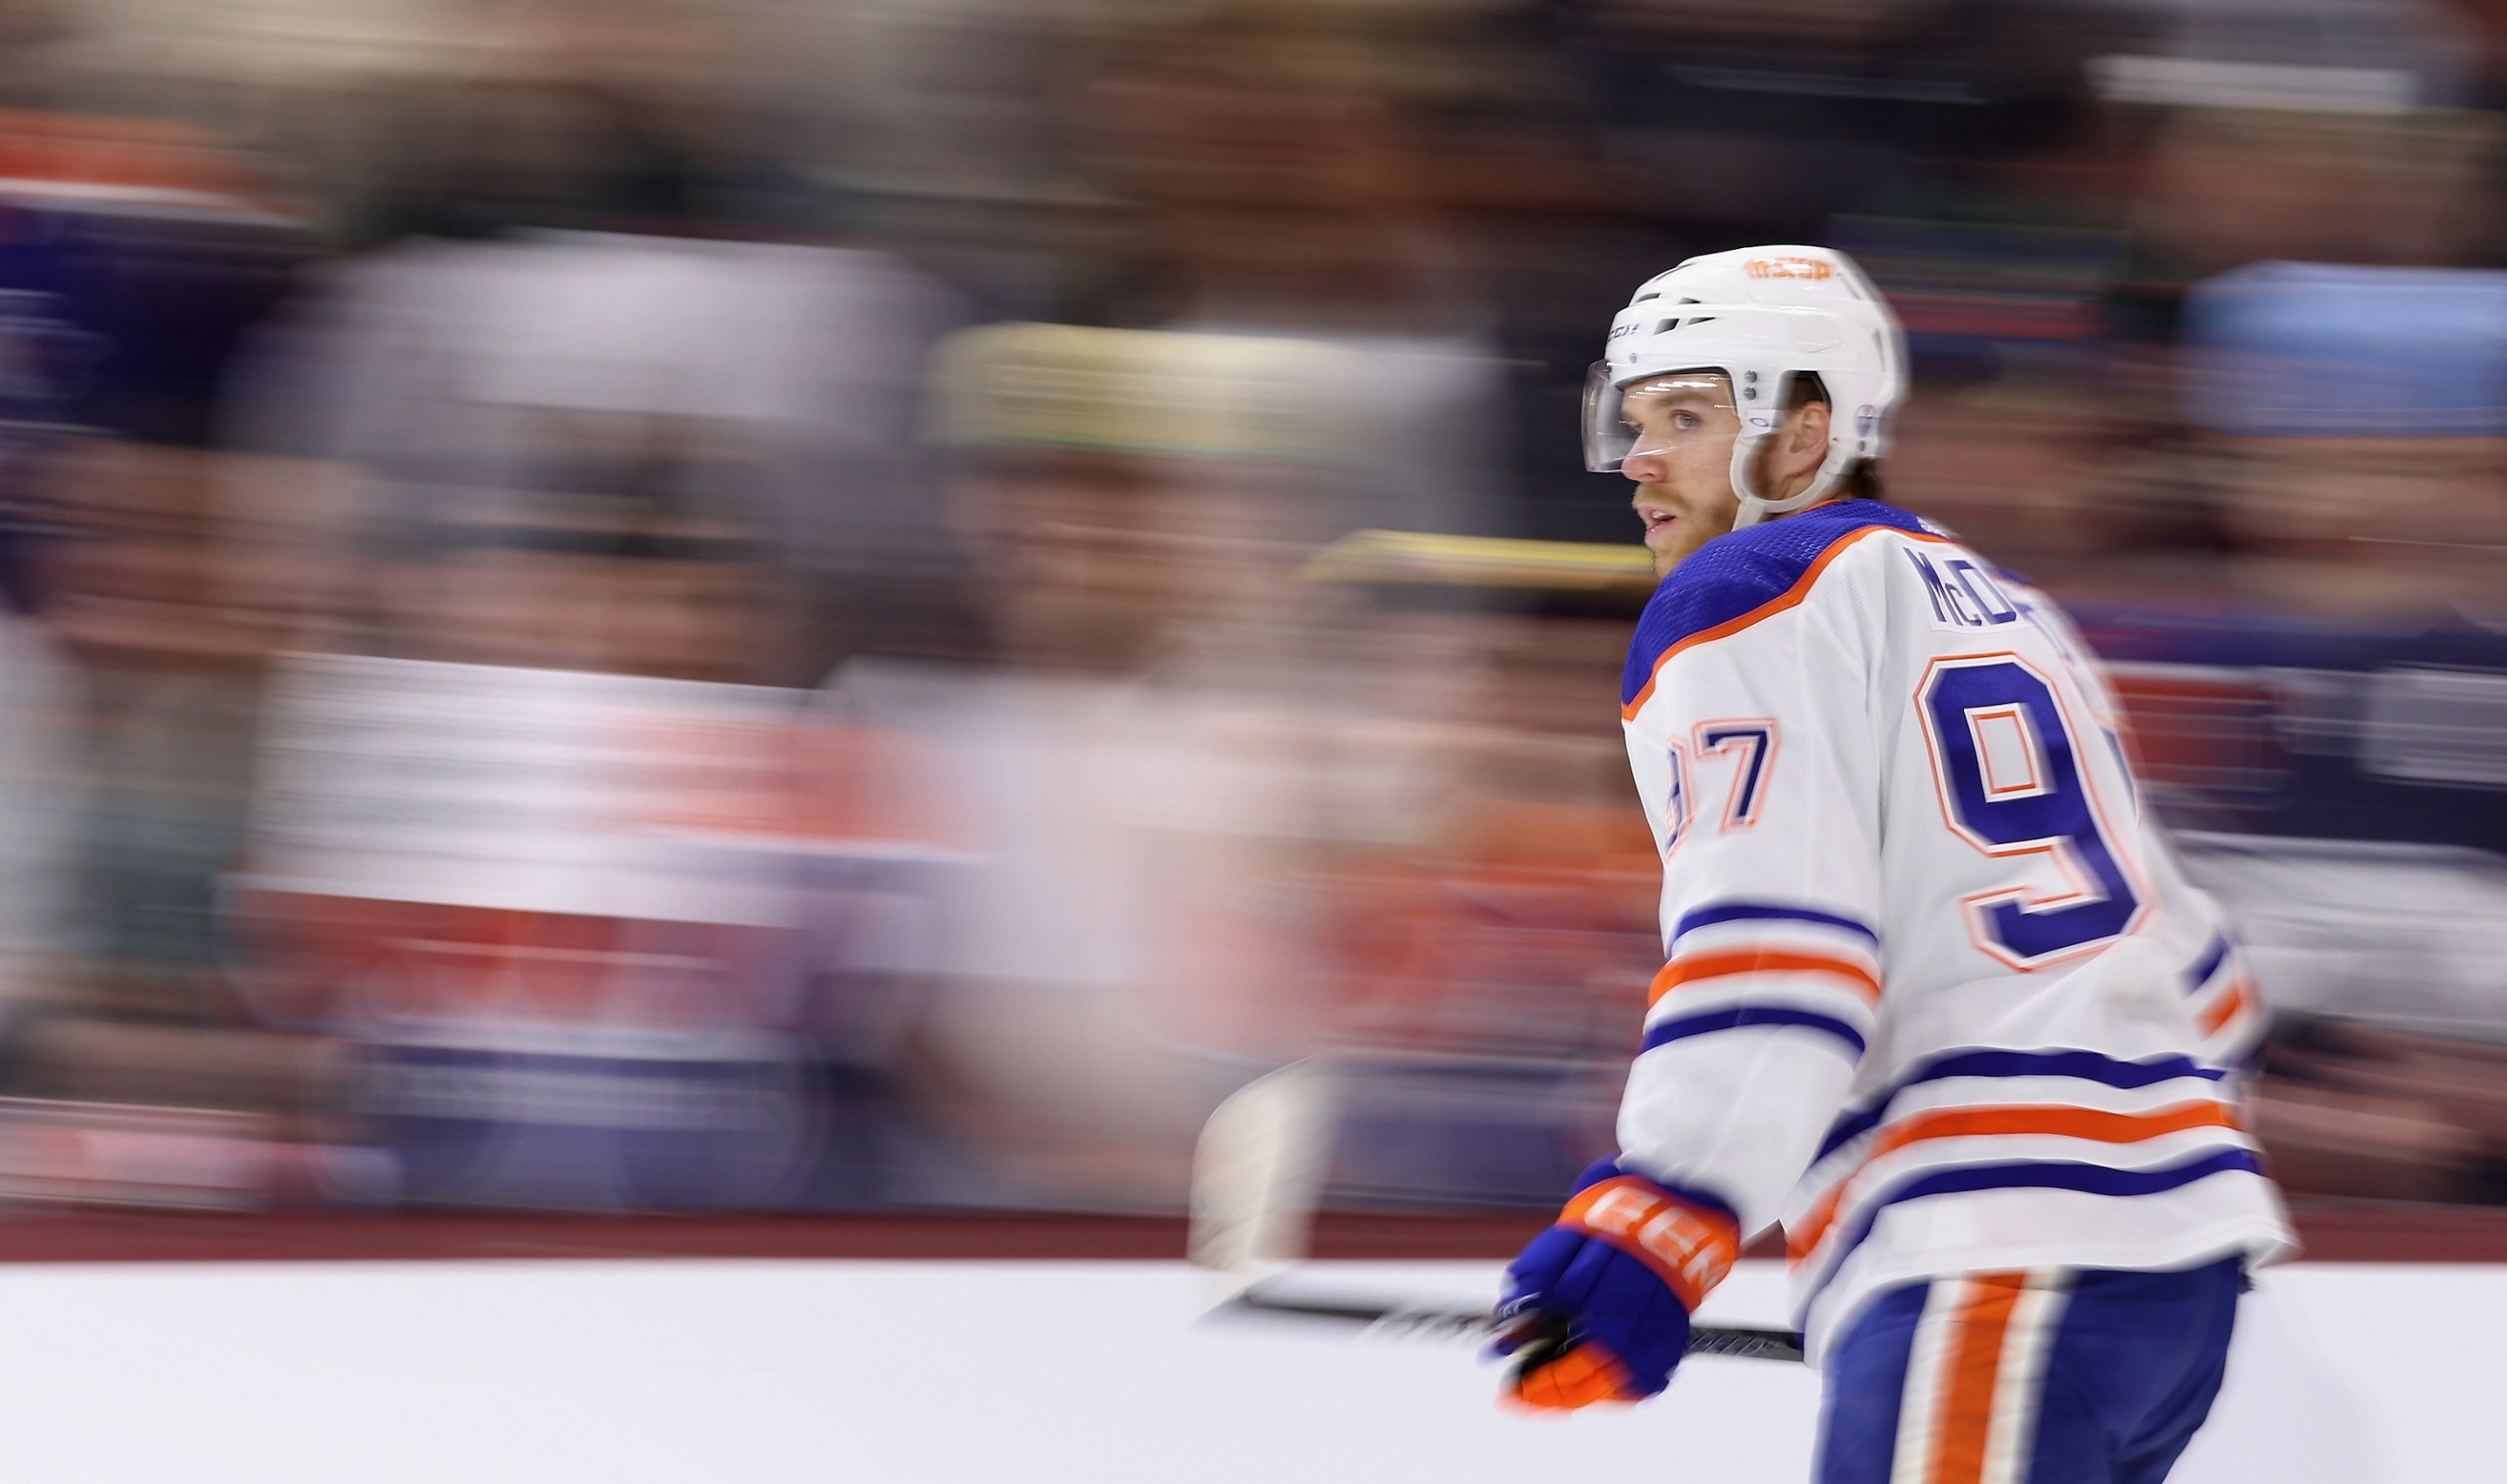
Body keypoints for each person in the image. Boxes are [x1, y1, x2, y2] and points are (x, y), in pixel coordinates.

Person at [1492, 245, 2295, 1484]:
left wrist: (1661, 1218)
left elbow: (1778, 941)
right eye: (1632, 421)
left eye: (1689, 417)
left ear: (1806, 429)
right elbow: (2199, 967)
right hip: (2170, 1277)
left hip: (1991, 1241)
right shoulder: (2006, 604)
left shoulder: (1747, 588)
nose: (1639, 462)